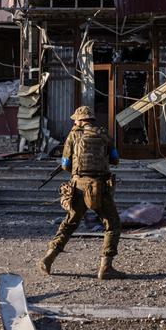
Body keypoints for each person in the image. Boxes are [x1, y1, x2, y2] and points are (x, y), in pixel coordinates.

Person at [38, 106, 124, 280]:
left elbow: (65, 164)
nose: (74, 122)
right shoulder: (105, 135)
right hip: (100, 187)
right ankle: (105, 267)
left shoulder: (73, 135)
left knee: (69, 223)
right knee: (112, 225)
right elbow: (115, 159)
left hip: (78, 187)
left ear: (80, 120)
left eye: (75, 119)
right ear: (91, 119)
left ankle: (49, 257)